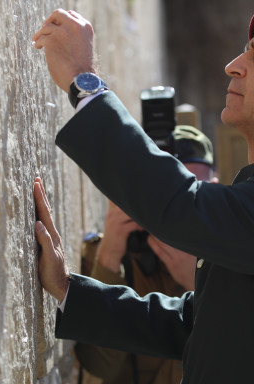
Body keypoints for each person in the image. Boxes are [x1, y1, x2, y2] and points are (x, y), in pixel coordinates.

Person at [31, 0, 254, 383]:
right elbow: (201, 322)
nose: (233, 66)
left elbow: (184, 208)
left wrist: (86, 85)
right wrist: (67, 289)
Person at [75, 125, 216, 384]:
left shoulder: (233, 262)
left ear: (215, 189)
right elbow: (99, 366)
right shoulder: (112, 256)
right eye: (171, 190)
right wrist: (110, 254)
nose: (182, 204)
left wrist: (198, 284)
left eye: (194, 189)